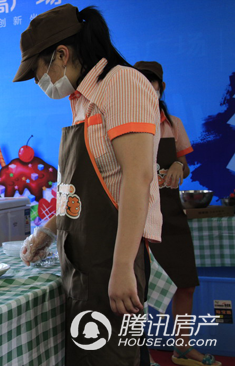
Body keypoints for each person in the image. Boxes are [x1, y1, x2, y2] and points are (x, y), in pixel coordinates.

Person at [13, 5, 162, 366]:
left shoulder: (122, 84)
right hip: (86, 257)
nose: (39, 84)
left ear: (62, 55)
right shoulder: (81, 100)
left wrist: (123, 266)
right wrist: (49, 230)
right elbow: (78, 190)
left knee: (110, 357)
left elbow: (137, 177)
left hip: (111, 255)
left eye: (37, 73)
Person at [135, 61, 221, 366]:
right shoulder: (127, 122)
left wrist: (176, 166)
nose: (147, 88)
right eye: (140, 82)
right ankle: (137, 354)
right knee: (137, 289)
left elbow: (184, 165)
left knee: (185, 282)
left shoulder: (173, 123)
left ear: (161, 87)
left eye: (152, 83)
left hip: (171, 214)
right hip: (138, 217)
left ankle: (182, 347)